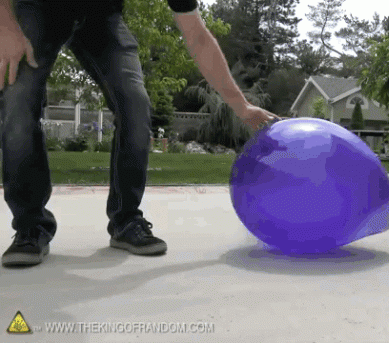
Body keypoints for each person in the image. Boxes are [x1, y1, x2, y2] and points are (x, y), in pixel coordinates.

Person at [0, 0, 280, 267]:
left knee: (135, 102)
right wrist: (6, 27)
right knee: (17, 96)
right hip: (38, 7)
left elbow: (198, 36)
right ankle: (30, 226)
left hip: (101, 15)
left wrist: (240, 106)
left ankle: (126, 220)